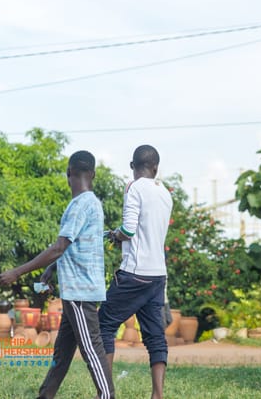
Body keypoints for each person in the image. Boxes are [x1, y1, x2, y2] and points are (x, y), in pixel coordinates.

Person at [0, 150, 114, 399]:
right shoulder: (91, 202)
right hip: (76, 290)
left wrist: (17, 272)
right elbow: (76, 247)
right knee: (61, 355)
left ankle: (107, 396)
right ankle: (45, 395)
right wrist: (51, 269)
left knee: (92, 350)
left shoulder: (80, 204)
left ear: (68, 173)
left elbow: (59, 246)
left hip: (80, 292)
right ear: (92, 174)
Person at [99, 145, 173, 399]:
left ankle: (105, 393)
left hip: (134, 273)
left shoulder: (134, 187)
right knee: (155, 336)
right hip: (157, 275)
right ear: (155, 168)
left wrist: (115, 235)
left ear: (133, 166)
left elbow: (129, 230)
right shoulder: (165, 193)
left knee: (104, 325)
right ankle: (158, 394)